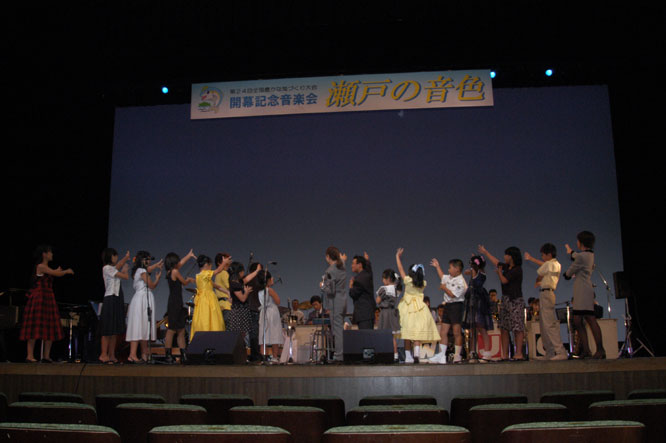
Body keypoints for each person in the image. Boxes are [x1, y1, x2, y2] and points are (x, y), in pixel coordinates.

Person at [20, 245, 74, 362]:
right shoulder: (41, 266)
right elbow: (56, 273)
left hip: (48, 298)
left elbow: (54, 273)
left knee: (50, 326)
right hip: (40, 298)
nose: (52, 254)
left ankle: (46, 356)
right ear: (44, 254)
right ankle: (30, 355)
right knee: (35, 327)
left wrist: (58, 271)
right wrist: (65, 271)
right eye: (50, 252)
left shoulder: (47, 267)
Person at [478, 245, 525, 361]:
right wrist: (485, 252)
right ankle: (505, 354)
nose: (504, 257)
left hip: (515, 300)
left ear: (511, 256)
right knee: (504, 327)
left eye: (506, 255)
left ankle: (519, 353)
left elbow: (504, 280)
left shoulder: (517, 269)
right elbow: (496, 262)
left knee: (517, 327)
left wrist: (499, 273)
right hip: (506, 299)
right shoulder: (508, 267)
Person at [564, 231, 605, 359]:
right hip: (584, 288)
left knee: (588, 318)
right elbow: (576, 256)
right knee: (579, 319)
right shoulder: (589, 254)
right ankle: (587, 350)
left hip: (582, 290)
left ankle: (599, 350)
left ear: (581, 242)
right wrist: (571, 252)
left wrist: (567, 273)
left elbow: (568, 273)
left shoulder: (582, 257)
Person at [395, 248, 441, 363]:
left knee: (407, 331)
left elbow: (400, 269)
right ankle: (416, 353)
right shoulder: (423, 284)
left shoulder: (407, 281)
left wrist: (397, 257)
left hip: (408, 308)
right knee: (417, 332)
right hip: (420, 308)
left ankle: (408, 356)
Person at [525, 243, 567, 360]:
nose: (542, 257)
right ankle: (550, 352)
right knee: (544, 325)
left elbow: (540, 273)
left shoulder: (549, 264)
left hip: (546, 294)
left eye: (543, 255)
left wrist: (538, 281)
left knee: (549, 324)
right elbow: (544, 265)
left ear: (548, 254)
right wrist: (531, 259)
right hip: (548, 293)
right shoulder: (556, 264)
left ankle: (560, 351)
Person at [126, 251, 163, 363]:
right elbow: (151, 285)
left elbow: (149, 269)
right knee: (138, 326)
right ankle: (132, 354)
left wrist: (156, 265)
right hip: (141, 300)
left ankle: (144, 354)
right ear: (142, 260)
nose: (149, 261)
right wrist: (157, 278)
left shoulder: (140, 270)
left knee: (144, 327)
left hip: (143, 299)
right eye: (147, 259)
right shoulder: (142, 271)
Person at [429, 258, 468, 364]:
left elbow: (452, 295)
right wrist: (437, 266)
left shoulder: (461, 282)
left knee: (456, 332)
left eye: (450, 268)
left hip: (456, 306)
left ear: (457, 269)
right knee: (443, 332)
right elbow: (442, 276)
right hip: (447, 306)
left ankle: (457, 355)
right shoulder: (450, 277)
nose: (448, 270)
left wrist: (444, 288)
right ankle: (442, 356)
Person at [163, 249, 196, 362]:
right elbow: (184, 282)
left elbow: (181, 263)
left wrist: (189, 255)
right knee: (172, 330)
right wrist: (189, 280)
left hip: (176, 302)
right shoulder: (175, 272)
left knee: (181, 330)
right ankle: (168, 355)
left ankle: (183, 354)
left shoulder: (170, 271)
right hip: (175, 303)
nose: (179, 263)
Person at [99, 248, 130, 364]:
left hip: (117, 299)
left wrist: (125, 258)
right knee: (107, 329)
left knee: (114, 330)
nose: (116, 258)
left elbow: (119, 265)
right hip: (110, 299)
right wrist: (125, 270)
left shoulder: (112, 268)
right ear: (110, 257)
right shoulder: (107, 268)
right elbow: (125, 276)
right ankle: (103, 354)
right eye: (114, 256)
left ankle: (111, 354)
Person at [226, 261, 262, 359]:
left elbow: (246, 279)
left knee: (242, 334)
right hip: (238, 311)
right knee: (238, 335)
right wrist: (246, 292)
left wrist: (257, 271)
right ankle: (236, 355)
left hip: (242, 310)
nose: (243, 273)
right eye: (242, 271)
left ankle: (240, 356)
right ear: (239, 272)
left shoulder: (237, 282)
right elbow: (242, 298)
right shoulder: (234, 284)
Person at [463, 255, 494, 362]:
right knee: (473, 329)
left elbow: (476, 283)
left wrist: (472, 272)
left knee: (481, 327)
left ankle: (487, 352)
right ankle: (472, 351)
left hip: (479, 302)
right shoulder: (474, 273)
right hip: (472, 302)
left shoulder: (480, 274)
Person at [190, 254, 227, 341]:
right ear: (206, 264)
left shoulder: (198, 276)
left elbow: (215, 285)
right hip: (207, 300)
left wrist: (227, 292)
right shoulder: (205, 274)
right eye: (210, 265)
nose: (211, 267)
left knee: (204, 318)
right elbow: (218, 271)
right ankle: (210, 339)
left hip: (202, 301)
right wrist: (224, 263)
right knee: (209, 319)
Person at [320, 246, 347, 362]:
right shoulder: (342, 266)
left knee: (337, 330)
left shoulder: (330, 271)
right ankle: (340, 353)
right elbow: (342, 261)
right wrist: (342, 258)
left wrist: (322, 286)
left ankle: (339, 355)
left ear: (328, 256)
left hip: (335, 302)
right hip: (343, 300)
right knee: (340, 328)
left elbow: (331, 290)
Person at [376, 269, 402, 361]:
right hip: (393, 312)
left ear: (388, 279)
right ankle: (395, 355)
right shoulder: (396, 288)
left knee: (384, 334)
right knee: (392, 336)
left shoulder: (384, 289)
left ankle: (383, 354)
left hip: (385, 313)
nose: (382, 280)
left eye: (383, 278)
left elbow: (378, 301)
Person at [258, 271, 283, 362]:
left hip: (264, 312)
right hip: (272, 312)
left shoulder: (260, 291)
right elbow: (278, 301)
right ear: (268, 280)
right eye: (271, 278)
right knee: (274, 334)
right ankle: (275, 357)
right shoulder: (270, 290)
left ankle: (263, 356)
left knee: (263, 336)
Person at [349, 252, 376, 330]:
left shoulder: (358, 280)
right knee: (368, 335)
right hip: (369, 314)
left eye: (353, 263)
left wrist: (351, 286)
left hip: (363, 315)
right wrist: (367, 261)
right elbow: (369, 270)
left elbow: (353, 294)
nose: (351, 266)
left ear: (360, 265)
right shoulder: (367, 275)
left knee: (365, 336)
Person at [214, 252, 233, 326]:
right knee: (229, 329)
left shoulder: (217, 275)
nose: (228, 264)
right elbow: (230, 287)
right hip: (227, 305)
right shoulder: (224, 273)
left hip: (219, 305)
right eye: (226, 262)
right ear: (219, 263)